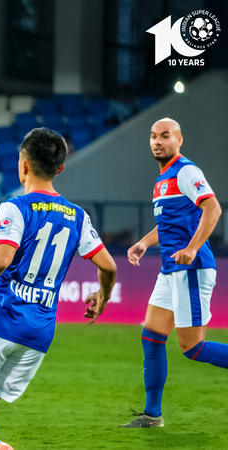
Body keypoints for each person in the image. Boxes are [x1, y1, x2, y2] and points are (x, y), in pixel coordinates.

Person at [0, 128, 117, 450]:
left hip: (3, 319)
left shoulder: (16, 207)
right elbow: (109, 266)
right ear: (60, 168)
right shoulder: (77, 216)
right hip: (40, 332)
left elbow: (0, 259)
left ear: (23, 164)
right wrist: (103, 296)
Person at [121, 118, 225, 428]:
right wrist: (144, 242)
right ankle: (152, 415)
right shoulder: (163, 179)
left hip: (190, 268)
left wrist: (192, 247)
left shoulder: (185, 171)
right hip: (170, 270)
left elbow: (213, 209)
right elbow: (168, 225)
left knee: (193, 348)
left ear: (179, 140)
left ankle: (153, 414)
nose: (157, 141)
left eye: (165, 136)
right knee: (151, 337)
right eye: (153, 136)